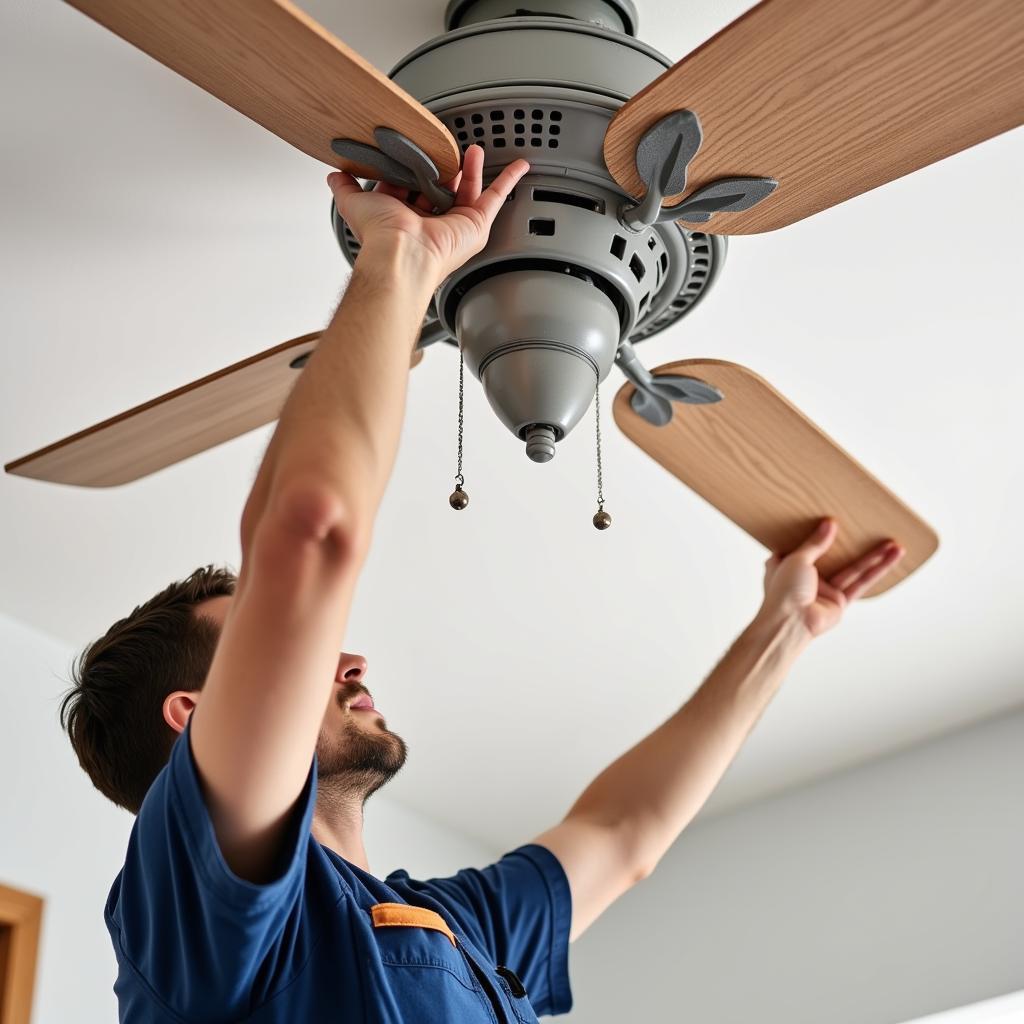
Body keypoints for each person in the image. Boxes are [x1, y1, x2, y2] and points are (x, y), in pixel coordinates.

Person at [60, 145, 905, 1023]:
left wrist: (787, 629)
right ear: (195, 717)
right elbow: (306, 536)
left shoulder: (451, 928)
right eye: (278, 643)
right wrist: (404, 261)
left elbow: (623, 837)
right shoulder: (203, 915)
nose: (343, 656)